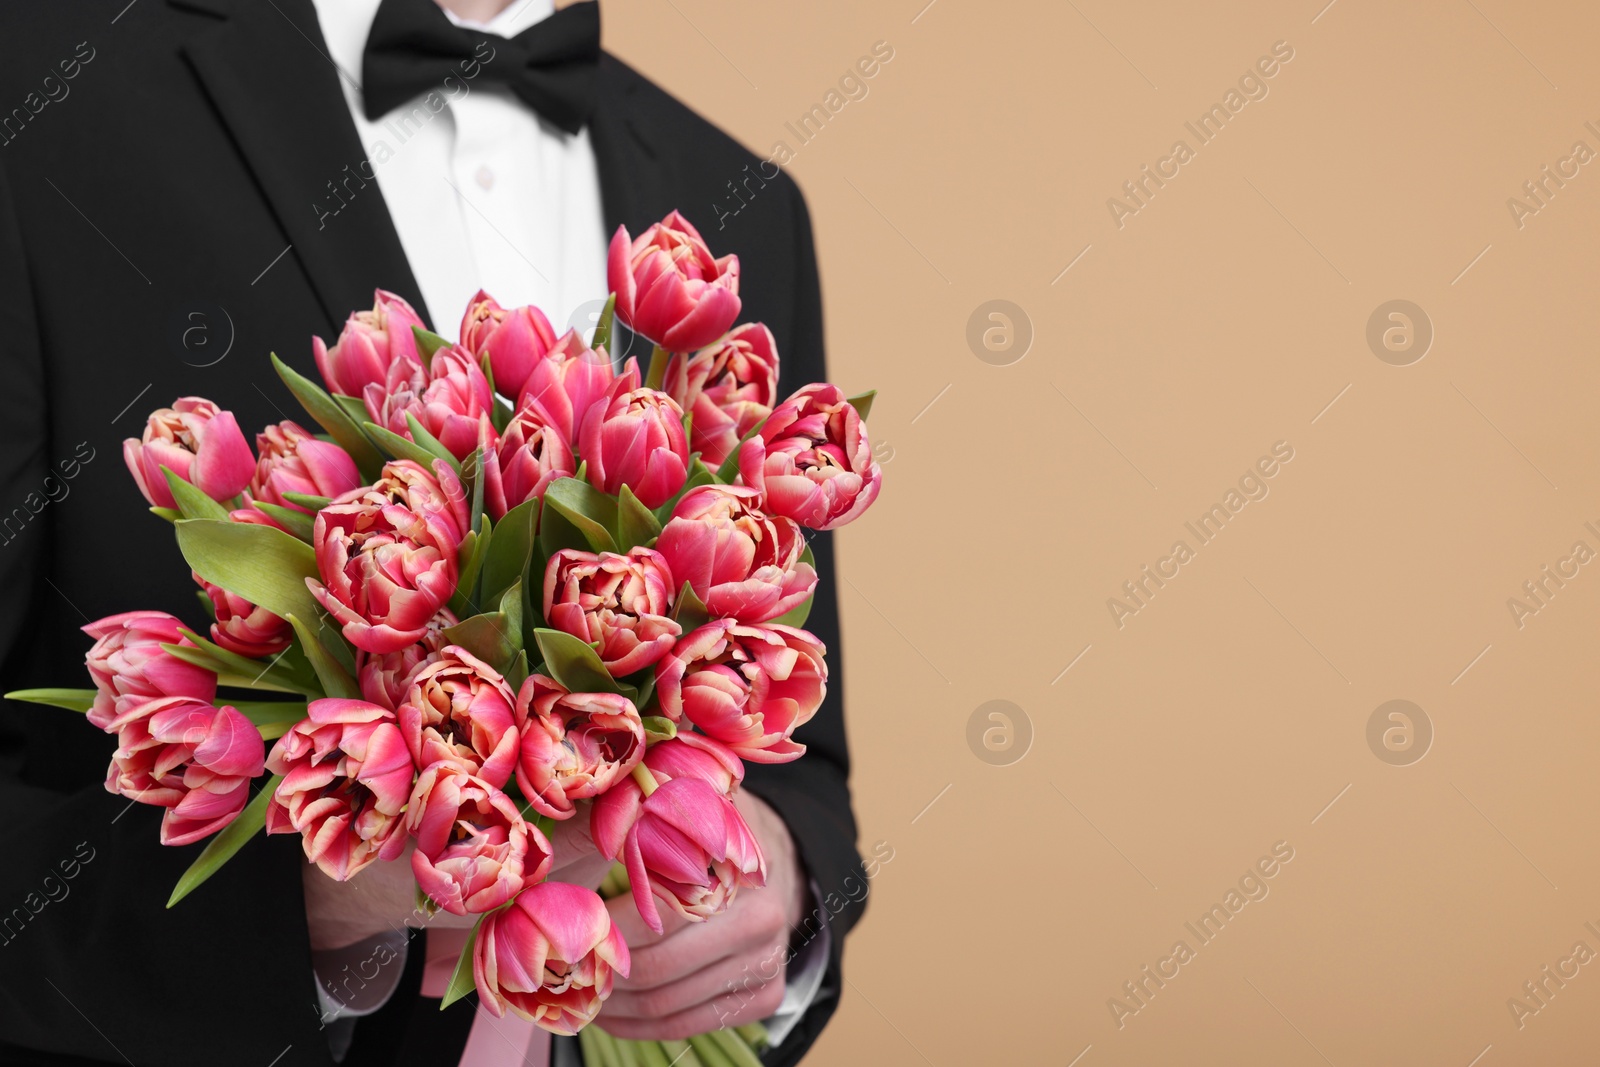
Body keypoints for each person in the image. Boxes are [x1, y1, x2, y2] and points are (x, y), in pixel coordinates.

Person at [0, 1, 864, 1064]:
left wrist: (781, 882)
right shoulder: (38, 90)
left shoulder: (743, 201)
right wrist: (316, 904)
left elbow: (805, 770)